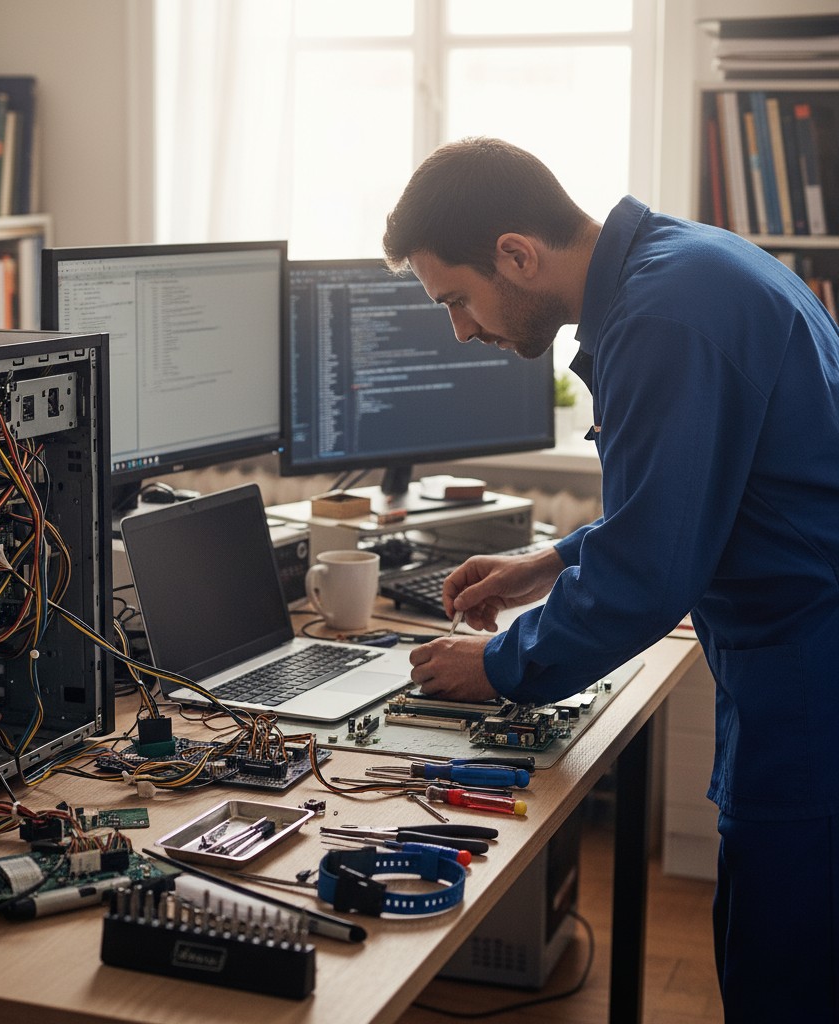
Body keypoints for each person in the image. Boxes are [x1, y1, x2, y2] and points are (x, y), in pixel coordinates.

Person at [382, 136, 839, 1022]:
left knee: (787, 981)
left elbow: (650, 573)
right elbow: (702, 486)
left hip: (813, 680)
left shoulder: (663, 317)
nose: (462, 329)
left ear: (516, 253)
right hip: (793, 655)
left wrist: (500, 665)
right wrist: (550, 559)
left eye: (458, 299)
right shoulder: (683, 262)